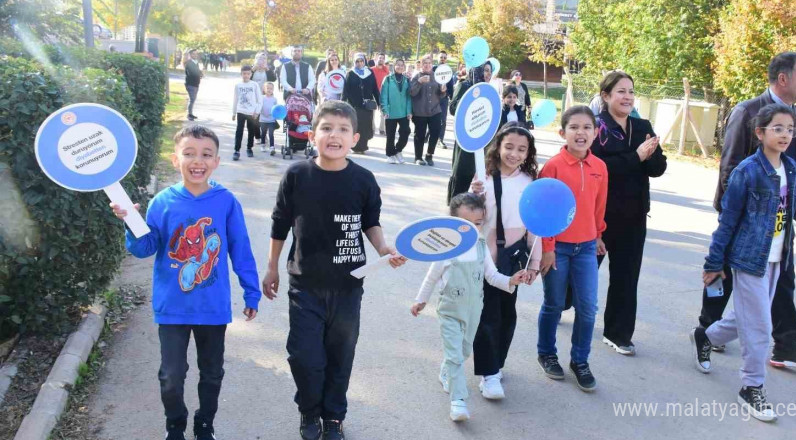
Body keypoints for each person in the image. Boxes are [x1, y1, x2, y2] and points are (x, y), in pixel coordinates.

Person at [262, 101, 406, 440]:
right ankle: (309, 412)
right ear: (313, 135)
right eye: (326, 128)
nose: (334, 135)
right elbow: (280, 224)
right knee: (304, 356)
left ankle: (333, 417)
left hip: (348, 286)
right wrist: (272, 268)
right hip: (305, 285)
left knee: (341, 354)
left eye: (342, 130)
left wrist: (384, 249)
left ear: (354, 138)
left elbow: (371, 222)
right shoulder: (297, 175)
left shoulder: (363, 180)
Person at [692, 104, 796, 423]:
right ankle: (751, 387)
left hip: (778, 259)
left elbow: (795, 206)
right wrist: (713, 262)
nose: (786, 134)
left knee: (743, 318)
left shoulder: (788, 167)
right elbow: (728, 220)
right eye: (778, 128)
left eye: (790, 129)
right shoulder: (746, 172)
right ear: (760, 133)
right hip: (749, 260)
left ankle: (706, 336)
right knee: (760, 326)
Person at [110, 125, 261, 440]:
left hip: (212, 308)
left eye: (206, 154)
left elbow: (241, 249)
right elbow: (144, 248)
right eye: (189, 153)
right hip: (173, 308)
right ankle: (175, 426)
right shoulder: (163, 202)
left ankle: (205, 424)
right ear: (175, 158)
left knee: (212, 374)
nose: (198, 161)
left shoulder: (225, 201)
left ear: (216, 161)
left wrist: (251, 292)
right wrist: (130, 223)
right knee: (171, 377)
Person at [701, 52, 796, 369]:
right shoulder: (748, 112)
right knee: (724, 278)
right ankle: (707, 331)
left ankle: (785, 343)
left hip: (780, 221)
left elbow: (792, 172)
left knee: (782, 282)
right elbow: (729, 170)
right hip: (746, 220)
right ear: (783, 78)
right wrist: (739, 222)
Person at [412, 192, 527, 422]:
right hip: (450, 311)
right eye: (465, 224)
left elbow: (492, 276)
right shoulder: (446, 250)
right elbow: (431, 277)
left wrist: (511, 281)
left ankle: (446, 369)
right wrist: (420, 300)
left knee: (463, 351)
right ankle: (458, 401)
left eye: (477, 223)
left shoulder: (481, 247)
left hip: (475, 310)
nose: (472, 229)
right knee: (456, 355)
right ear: (452, 222)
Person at [591, 71, 667, 356]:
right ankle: (562, 300)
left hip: (634, 214)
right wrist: (636, 157)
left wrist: (652, 155)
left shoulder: (642, 125)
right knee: (583, 273)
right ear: (606, 96)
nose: (627, 97)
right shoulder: (597, 127)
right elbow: (599, 167)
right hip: (600, 215)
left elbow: (657, 168)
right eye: (620, 91)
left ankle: (618, 332)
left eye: (631, 91)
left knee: (626, 276)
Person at [537, 106, 608, 393]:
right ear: (562, 132)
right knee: (554, 304)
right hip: (558, 248)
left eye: (587, 127)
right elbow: (541, 212)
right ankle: (547, 353)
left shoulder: (600, 168)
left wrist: (599, 234)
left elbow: (598, 205)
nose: (581, 133)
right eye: (574, 127)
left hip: (587, 248)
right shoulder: (553, 166)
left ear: (596, 132)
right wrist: (547, 248)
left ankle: (580, 361)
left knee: (588, 308)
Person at [468, 123, 541, 400]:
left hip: (514, 259)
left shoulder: (530, 183)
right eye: (508, 146)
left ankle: (496, 364)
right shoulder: (482, 178)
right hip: (484, 259)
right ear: (497, 146)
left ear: (528, 153)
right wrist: (474, 196)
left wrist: (534, 263)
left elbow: (536, 226)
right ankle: (489, 374)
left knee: (507, 313)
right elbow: (466, 217)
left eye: (521, 149)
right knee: (487, 315)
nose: (514, 153)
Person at [447, 62, 493, 203]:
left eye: (490, 71)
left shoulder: (488, 90)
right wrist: (469, 96)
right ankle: (455, 205)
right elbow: (453, 108)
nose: (488, 74)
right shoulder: (465, 85)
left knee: (479, 175)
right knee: (462, 173)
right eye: (485, 70)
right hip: (466, 137)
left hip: (483, 139)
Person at [409, 54, 447, 166]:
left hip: (435, 110)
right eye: (425, 63)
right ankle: (418, 157)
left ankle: (429, 155)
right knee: (419, 134)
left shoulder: (437, 76)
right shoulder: (416, 76)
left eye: (429, 63)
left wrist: (443, 91)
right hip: (420, 111)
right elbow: (412, 93)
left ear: (432, 65)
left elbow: (440, 95)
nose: (427, 65)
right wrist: (419, 82)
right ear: (421, 64)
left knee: (435, 132)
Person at [342, 53, 380, 154]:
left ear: (364, 61)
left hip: (367, 106)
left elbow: (375, 89)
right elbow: (345, 90)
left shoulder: (369, 72)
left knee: (366, 126)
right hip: (354, 105)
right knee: (356, 126)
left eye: (361, 61)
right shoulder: (350, 73)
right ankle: (355, 146)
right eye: (357, 61)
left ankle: (363, 146)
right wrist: (341, 104)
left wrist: (379, 102)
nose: (359, 63)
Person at [379, 59, 412, 164]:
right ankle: (390, 154)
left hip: (403, 112)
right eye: (398, 65)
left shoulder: (407, 79)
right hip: (391, 112)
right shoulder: (388, 79)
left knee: (406, 132)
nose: (400, 67)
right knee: (390, 135)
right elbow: (383, 95)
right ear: (394, 66)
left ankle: (397, 150)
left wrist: (409, 111)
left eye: (402, 65)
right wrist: (385, 110)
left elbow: (409, 98)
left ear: (404, 67)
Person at [231, 65, 263, 161]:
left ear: (251, 74)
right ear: (241, 74)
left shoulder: (254, 85)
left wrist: (257, 111)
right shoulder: (238, 85)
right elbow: (235, 99)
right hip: (241, 111)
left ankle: (249, 148)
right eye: (244, 74)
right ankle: (237, 150)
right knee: (239, 131)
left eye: (248, 74)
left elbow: (259, 99)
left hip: (251, 112)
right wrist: (233, 112)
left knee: (251, 131)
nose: (246, 75)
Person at [433, 51, 456, 148]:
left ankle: (440, 139)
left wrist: (451, 97)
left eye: (444, 57)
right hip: (433, 97)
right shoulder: (433, 69)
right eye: (441, 57)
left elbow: (451, 85)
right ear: (438, 58)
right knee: (431, 118)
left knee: (443, 119)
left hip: (444, 98)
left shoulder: (448, 70)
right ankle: (429, 134)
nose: (442, 59)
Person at [371, 52, 390, 135]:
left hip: (383, 94)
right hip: (372, 93)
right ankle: (372, 128)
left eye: (383, 58)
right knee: (372, 112)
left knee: (383, 112)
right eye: (380, 58)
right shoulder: (371, 70)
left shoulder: (386, 70)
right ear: (376, 59)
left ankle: (382, 129)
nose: (381, 59)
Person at [259, 82, 279, 155]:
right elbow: (259, 106)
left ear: (273, 90)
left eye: (271, 88)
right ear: (264, 89)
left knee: (271, 133)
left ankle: (272, 147)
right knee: (263, 133)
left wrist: (277, 115)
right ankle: (263, 145)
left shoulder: (274, 99)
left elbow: (276, 109)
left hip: (271, 120)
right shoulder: (262, 98)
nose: (269, 90)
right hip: (263, 119)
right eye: (267, 88)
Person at [184, 49, 203, 121]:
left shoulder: (196, 63)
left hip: (196, 84)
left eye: (196, 54)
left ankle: (190, 113)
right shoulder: (189, 63)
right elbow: (192, 73)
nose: (195, 55)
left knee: (193, 99)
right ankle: (189, 114)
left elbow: (197, 72)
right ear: (191, 55)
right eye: (194, 54)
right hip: (190, 84)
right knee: (192, 99)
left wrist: (201, 73)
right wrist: (198, 73)